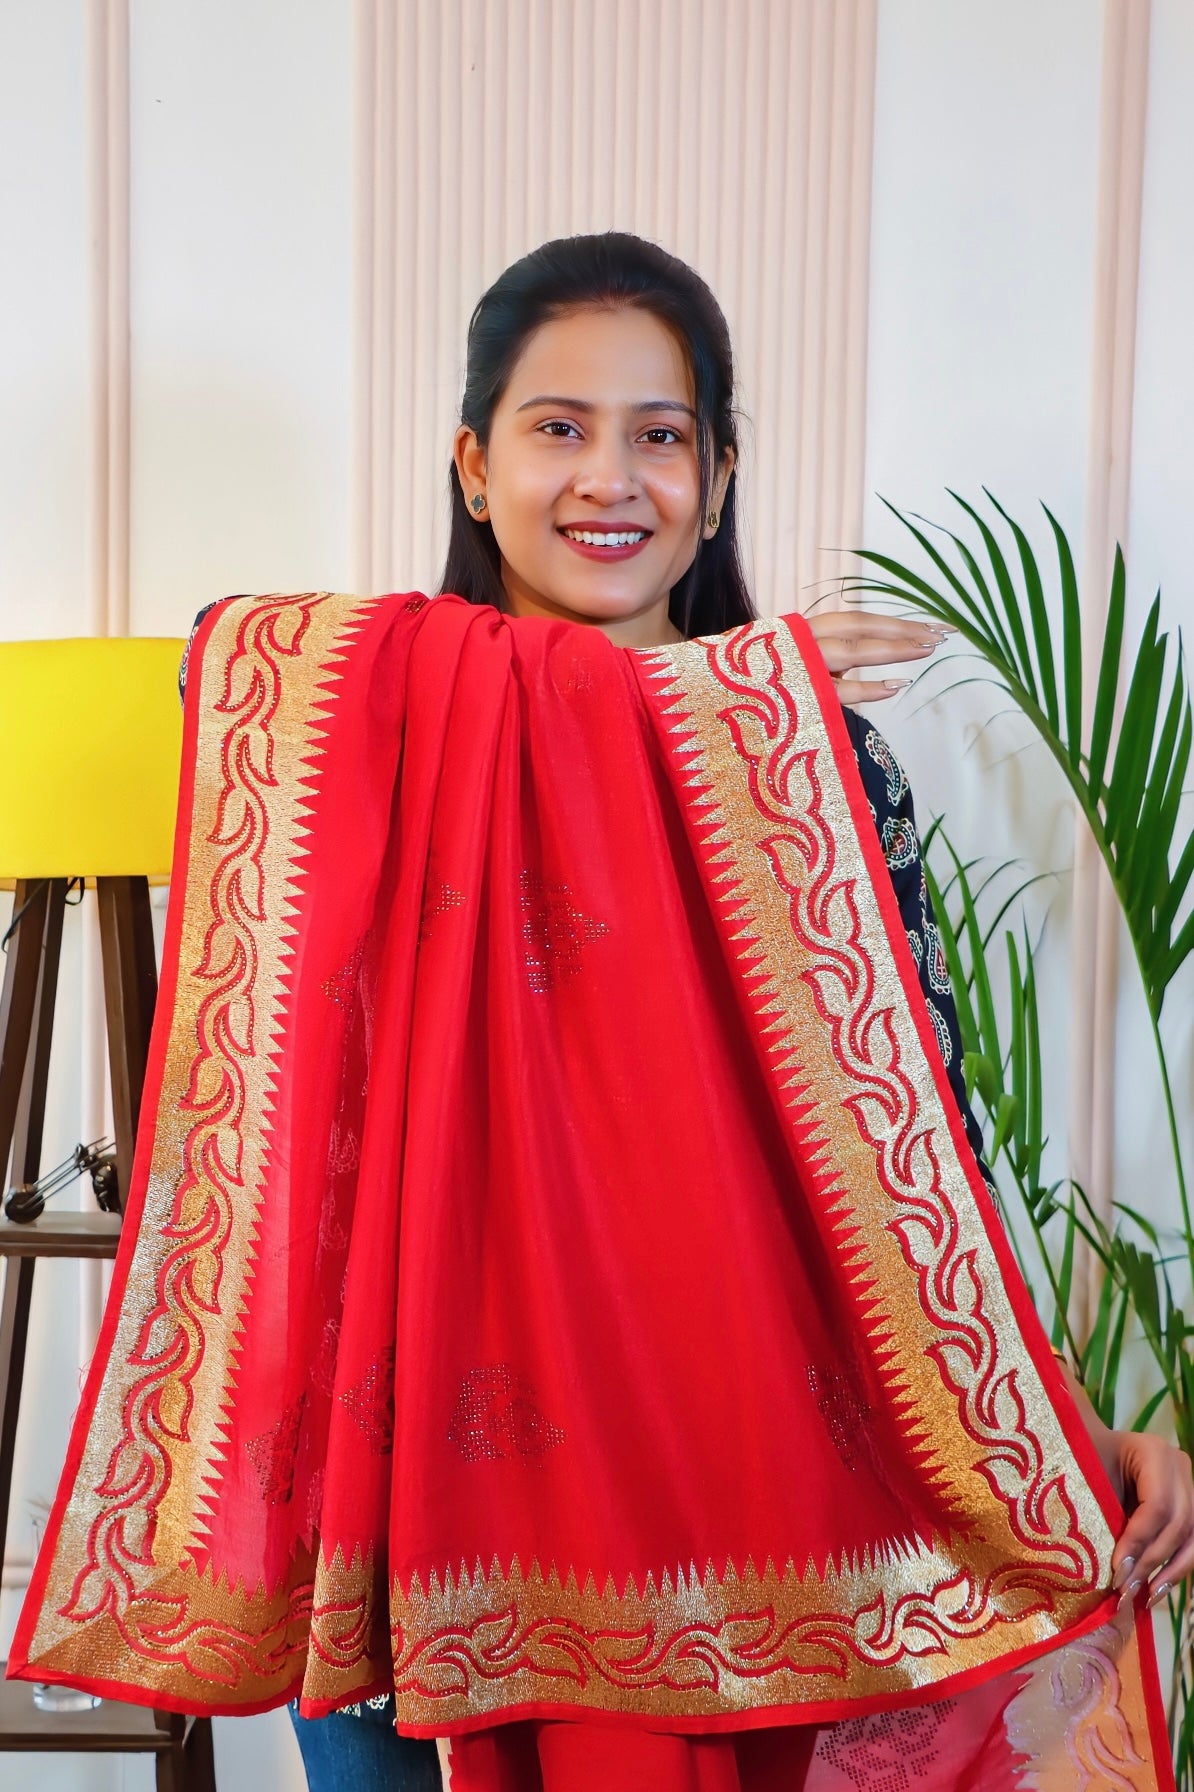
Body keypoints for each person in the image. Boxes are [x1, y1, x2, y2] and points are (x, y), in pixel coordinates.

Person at [12, 235, 1192, 1792]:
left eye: (662, 433)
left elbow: (923, 1138)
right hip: (400, 1496)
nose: (610, 478)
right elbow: (231, 662)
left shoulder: (820, 767)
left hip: (734, 1484)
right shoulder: (371, 747)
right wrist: (692, 705)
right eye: (557, 428)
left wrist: (1053, 1419)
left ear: (713, 475)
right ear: (471, 465)